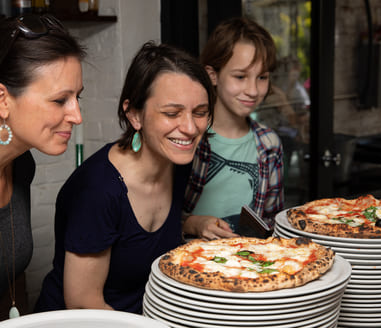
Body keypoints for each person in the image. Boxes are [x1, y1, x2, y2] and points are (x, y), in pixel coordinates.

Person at [34, 41, 214, 314]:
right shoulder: (98, 190)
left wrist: (192, 223)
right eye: (172, 113)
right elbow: (85, 306)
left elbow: (133, 238)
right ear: (134, 115)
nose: (190, 128)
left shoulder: (178, 160)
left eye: (200, 113)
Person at [0, 13, 85, 320]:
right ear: (2, 100)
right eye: (60, 100)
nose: (77, 116)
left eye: (77, 97)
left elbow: (11, 277)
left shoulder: (21, 164)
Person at [182, 17, 284, 240]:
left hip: (248, 264)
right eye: (240, 76)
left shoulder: (270, 144)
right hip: (188, 262)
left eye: (262, 77)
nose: (253, 90)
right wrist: (193, 223)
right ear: (213, 75)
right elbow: (156, 218)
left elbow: (274, 221)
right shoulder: (187, 136)